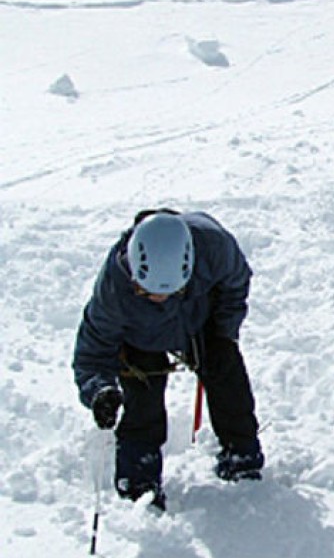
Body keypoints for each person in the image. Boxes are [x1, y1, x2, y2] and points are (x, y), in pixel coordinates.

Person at [73, 209, 264, 510]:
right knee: (142, 399)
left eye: (171, 291)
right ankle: (139, 486)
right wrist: (100, 392)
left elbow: (236, 282)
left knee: (227, 375)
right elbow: (91, 354)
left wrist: (223, 331)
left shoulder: (214, 246)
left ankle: (242, 458)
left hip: (199, 321)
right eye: (144, 291)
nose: (157, 298)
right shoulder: (113, 290)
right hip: (140, 338)